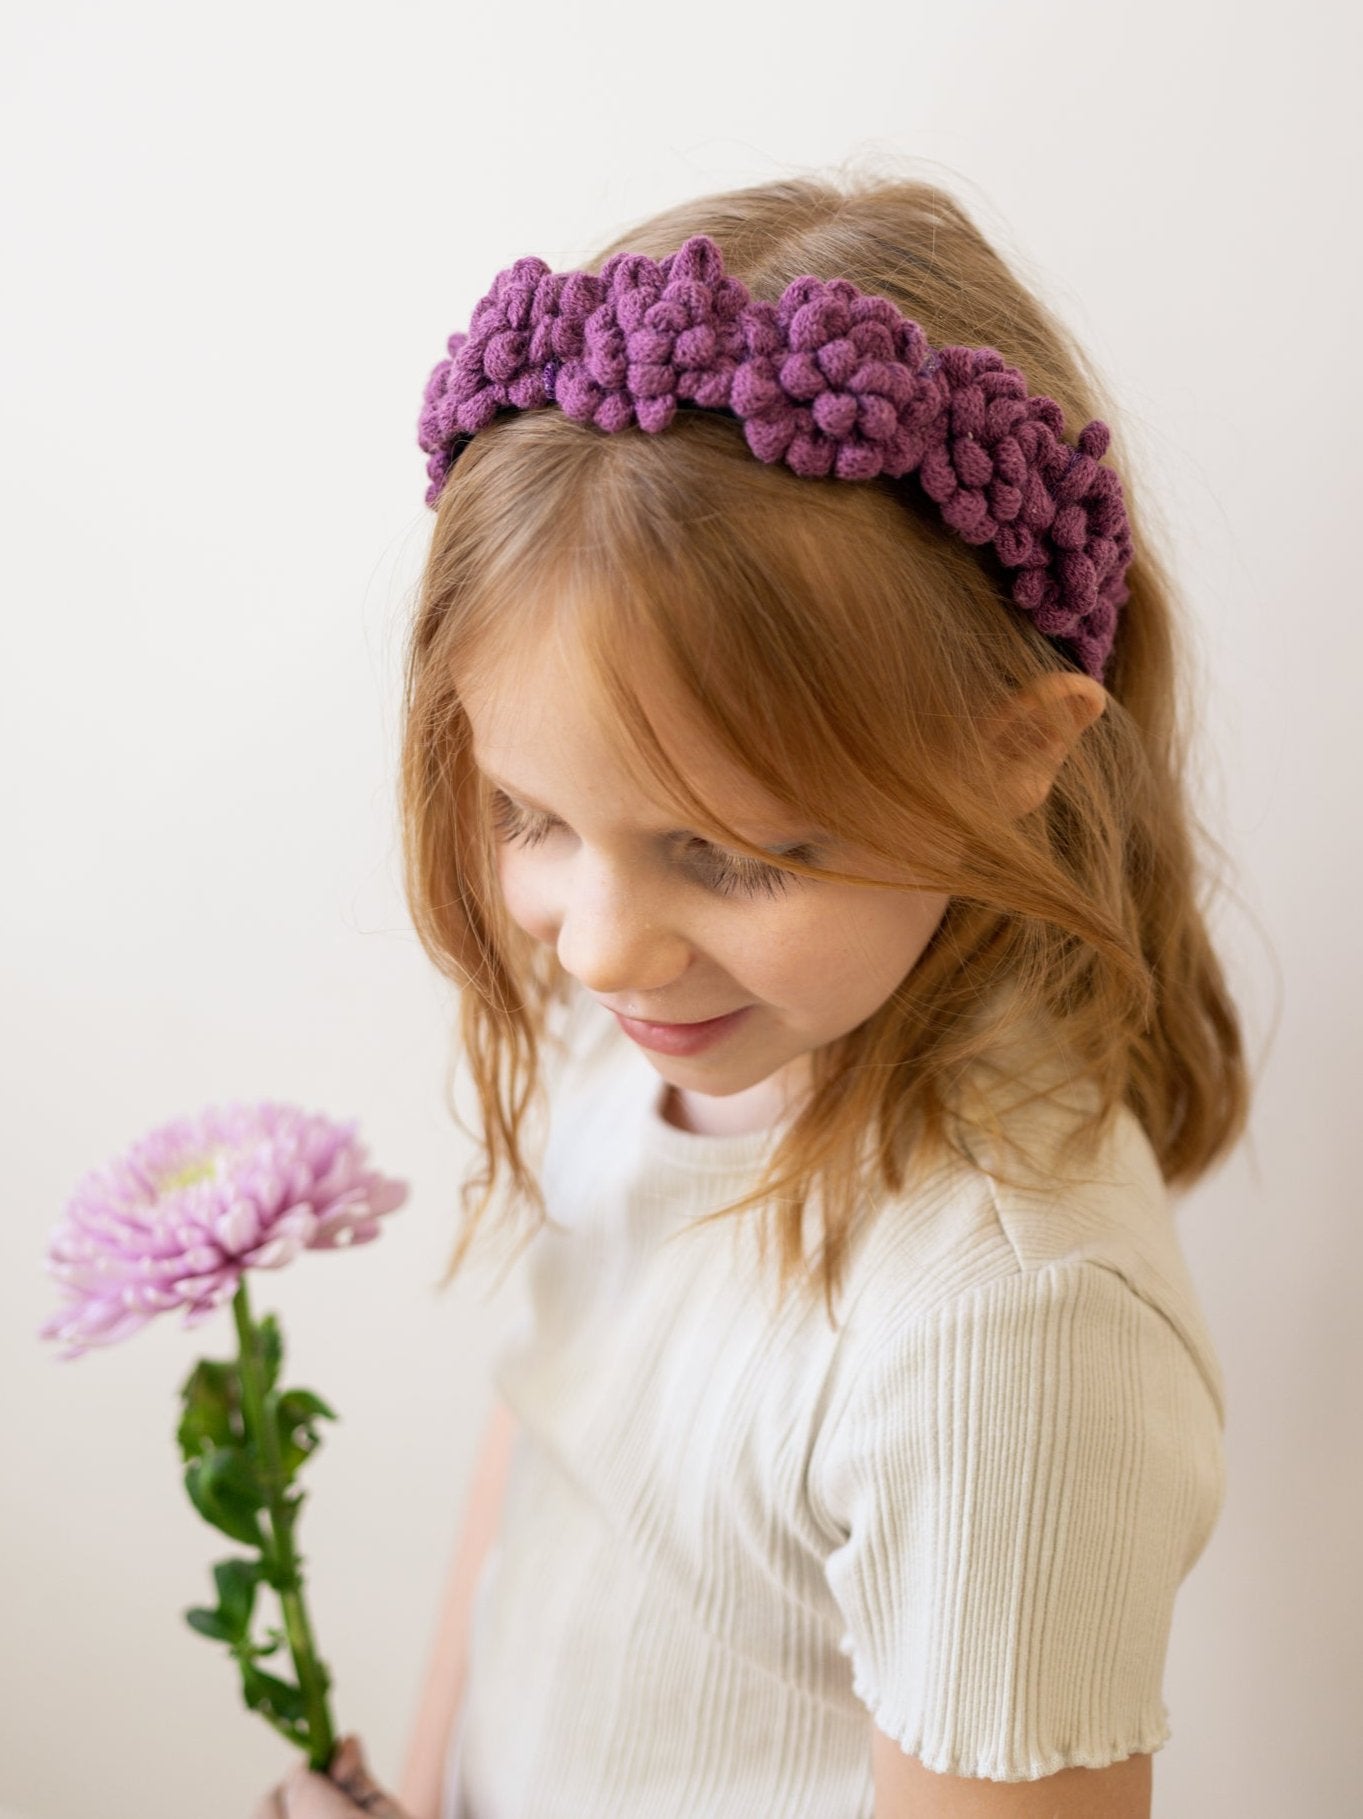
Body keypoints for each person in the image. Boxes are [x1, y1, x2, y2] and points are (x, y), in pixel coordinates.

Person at [253, 167, 1249, 1819]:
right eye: (532, 819)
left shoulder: (1007, 1335)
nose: (598, 950)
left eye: (730, 855)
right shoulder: (662, 1036)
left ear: (1013, 754)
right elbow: (544, 1475)